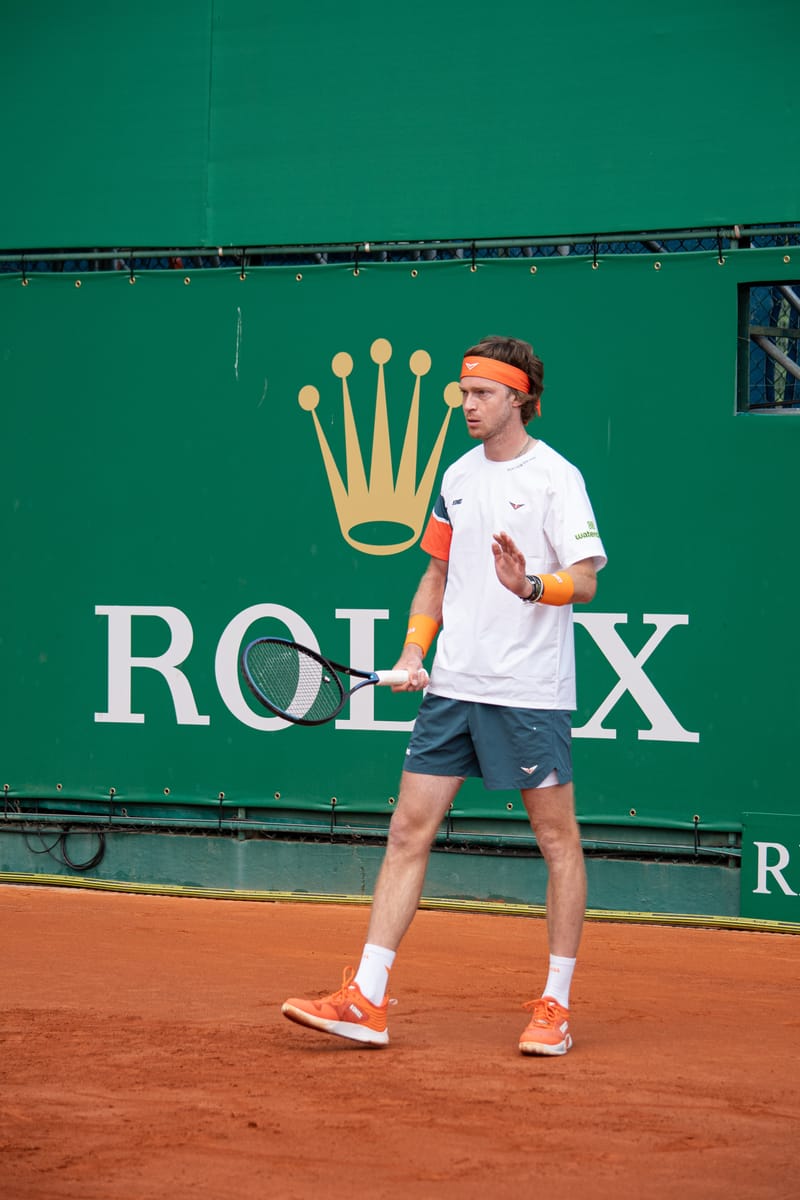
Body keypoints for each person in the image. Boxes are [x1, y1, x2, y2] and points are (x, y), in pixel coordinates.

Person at [282, 334, 607, 1056]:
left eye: (482, 394)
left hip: (528, 692)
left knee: (557, 842)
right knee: (406, 832)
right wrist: (413, 651)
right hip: (452, 687)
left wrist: (528, 584)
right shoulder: (457, 477)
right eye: (463, 393)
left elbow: (584, 580)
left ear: (518, 398)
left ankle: (554, 1006)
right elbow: (435, 574)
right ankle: (367, 997)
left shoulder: (557, 478)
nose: (468, 405)